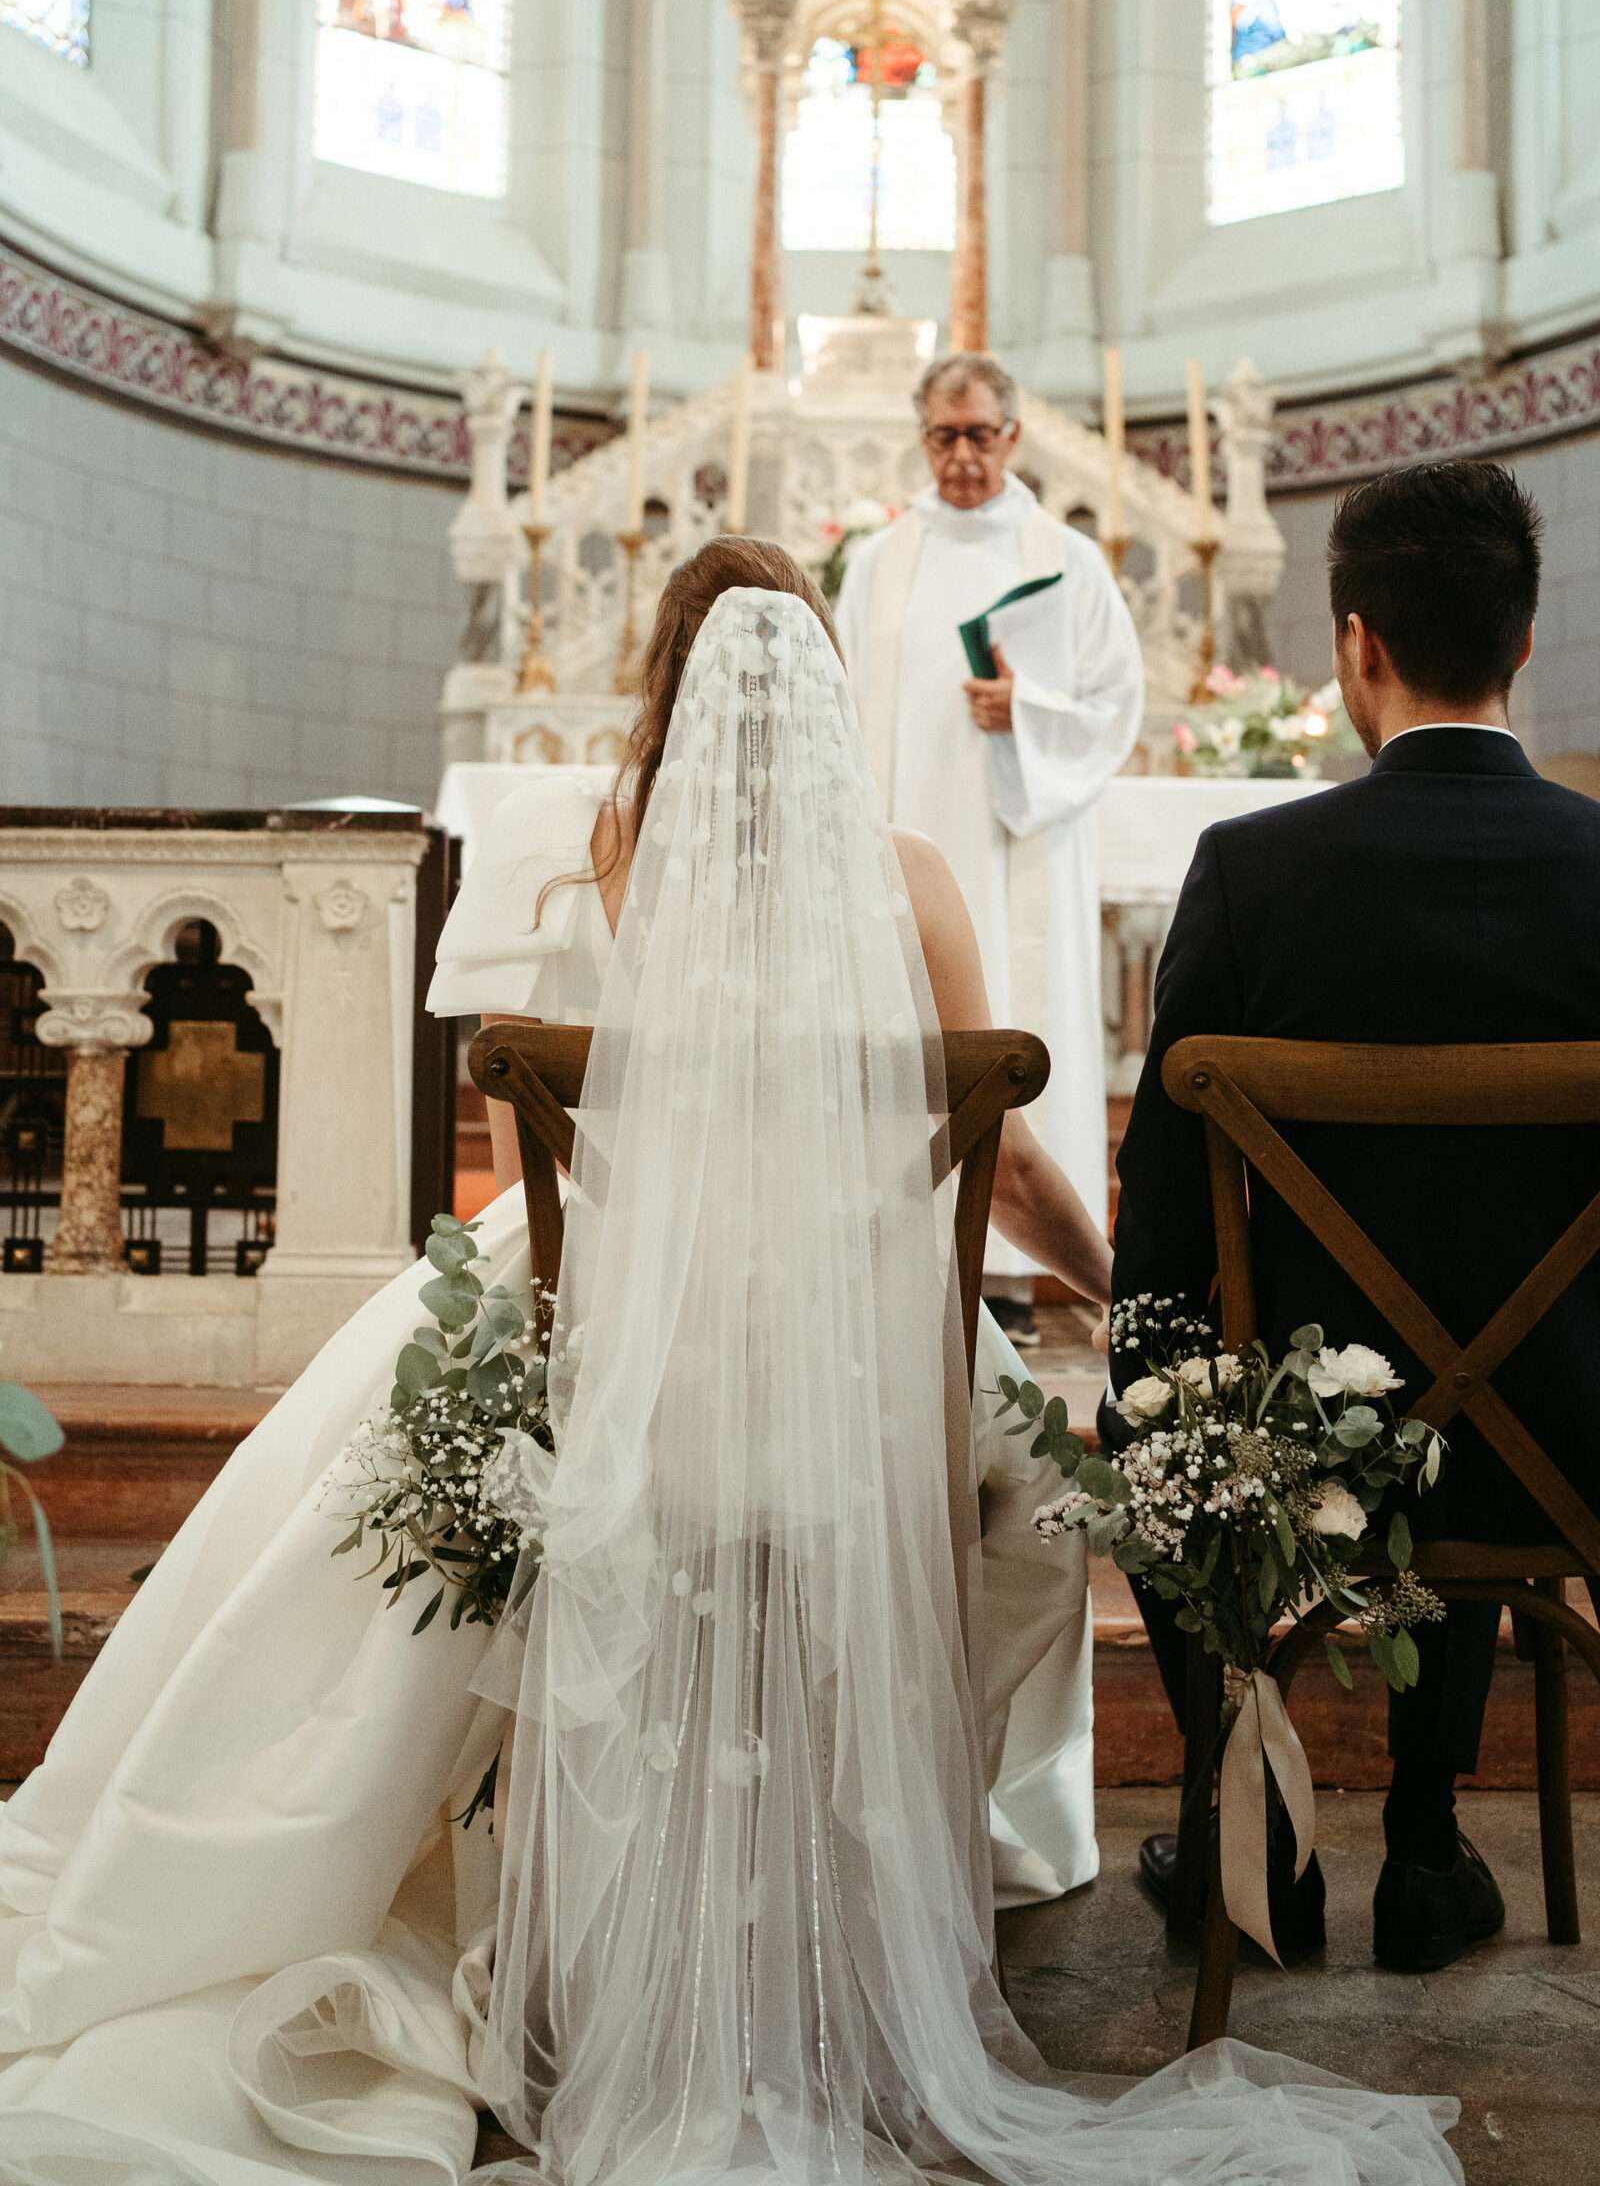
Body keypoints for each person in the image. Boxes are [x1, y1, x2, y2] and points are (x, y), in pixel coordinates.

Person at [0, 539, 1463, 2186]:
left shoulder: (600, 857)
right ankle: (894, 1858)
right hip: (863, 1352)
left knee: (375, 1448)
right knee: (1036, 1516)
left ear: (670, 693)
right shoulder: (912, 879)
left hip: (622, 1328)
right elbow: (1001, 1159)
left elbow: (557, 1143)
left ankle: (493, 1866)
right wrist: (1119, 1299)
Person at [1102, 459, 1600, 1975]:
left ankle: (1259, 1839)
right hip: (1565, 1440)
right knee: (1467, 1389)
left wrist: (1164, 1393)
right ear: (1524, 643)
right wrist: (1578, 1315)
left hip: (1308, 1449)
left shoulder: (1250, 876)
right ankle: (1425, 1851)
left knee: (1142, 1413)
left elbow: (1163, 1229)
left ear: (1354, 645)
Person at [838, 353, 1144, 1345]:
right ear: (921, 438)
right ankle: (907, 1249)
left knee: (1017, 1015)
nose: (962, 454)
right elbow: (837, 702)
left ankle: (1015, 1272)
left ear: (1012, 435)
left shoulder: (1068, 559)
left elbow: (1117, 703)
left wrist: (1030, 710)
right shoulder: (880, 561)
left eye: (979, 433)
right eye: (944, 435)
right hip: (902, 852)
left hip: (1024, 848)